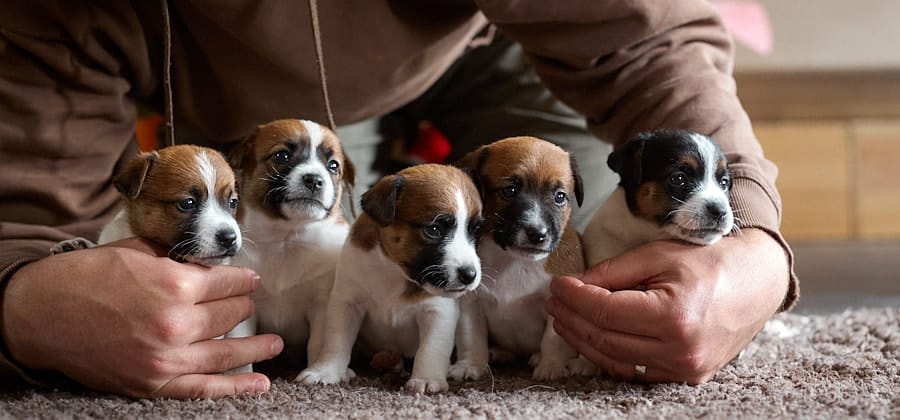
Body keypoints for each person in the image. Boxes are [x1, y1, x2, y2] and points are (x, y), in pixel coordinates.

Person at [0, 1, 796, 398]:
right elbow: (27, 206)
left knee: (573, 252)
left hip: (490, 44)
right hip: (235, 106)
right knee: (335, 253)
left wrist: (755, 249)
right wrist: (26, 306)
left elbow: (647, 42)